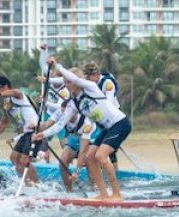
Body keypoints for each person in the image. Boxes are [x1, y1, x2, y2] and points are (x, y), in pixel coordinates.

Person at [49, 60, 131, 199]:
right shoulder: (75, 100)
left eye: (69, 82)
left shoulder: (96, 85)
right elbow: (59, 124)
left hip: (118, 122)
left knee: (101, 156)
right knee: (89, 157)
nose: (66, 86)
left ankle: (116, 194)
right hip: (105, 126)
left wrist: (57, 65)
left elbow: (107, 102)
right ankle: (103, 194)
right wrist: (40, 134)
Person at [33, 92, 92, 193]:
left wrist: (77, 172)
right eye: (63, 112)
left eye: (67, 112)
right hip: (73, 139)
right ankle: (69, 190)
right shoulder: (60, 112)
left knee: (88, 162)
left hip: (87, 139)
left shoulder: (85, 120)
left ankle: (94, 188)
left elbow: (83, 151)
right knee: (62, 163)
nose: (65, 115)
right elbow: (48, 124)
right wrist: (36, 128)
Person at [0, 75, 40, 186]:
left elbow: (16, 92)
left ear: (6, 86)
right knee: (14, 158)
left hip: (35, 130)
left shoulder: (17, 96)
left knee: (24, 160)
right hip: (25, 133)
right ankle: (27, 184)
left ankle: (37, 184)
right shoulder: (6, 104)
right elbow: (4, 121)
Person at [80, 62, 121, 168]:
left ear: (95, 74)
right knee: (96, 147)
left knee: (110, 151)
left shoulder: (107, 83)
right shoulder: (91, 84)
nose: (87, 81)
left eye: (88, 78)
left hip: (114, 117)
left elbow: (109, 103)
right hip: (100, 115)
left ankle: (114, 176)